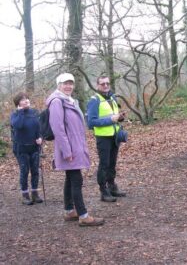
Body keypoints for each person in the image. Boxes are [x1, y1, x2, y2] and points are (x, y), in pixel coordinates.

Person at [47, 73, 104, 226]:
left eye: (70, 83)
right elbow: (57, 128)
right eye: (65, 83)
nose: (68, 86)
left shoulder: (70, 101)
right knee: (76, 179)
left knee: (70, 178)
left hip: (75, 146)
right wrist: (67, 151)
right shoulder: (57, 102)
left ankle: (69, 211)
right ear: (59, 85)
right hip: (69, 149)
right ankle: (83, 216)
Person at [87, 76, 127, 202]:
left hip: (114, 136)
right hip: (103, 137)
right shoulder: (94, 100)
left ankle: (112, 187)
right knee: (104, 164)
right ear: (97, 85)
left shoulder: (112, 97)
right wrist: (111, 119)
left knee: (112, 163)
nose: (105, 86)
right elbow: (91, 122)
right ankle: (103, 191)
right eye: (102, 83)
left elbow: (113, 117)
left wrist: (119, 117)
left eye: (107, 83)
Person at [10, 92, 43, 205]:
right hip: (21, 148)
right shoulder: (15, 115)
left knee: (35, 171)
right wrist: (20, 112)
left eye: (27, 98)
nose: (26, 101)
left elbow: (39, 127)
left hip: (34, 147)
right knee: (24, 171)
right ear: (17, 103)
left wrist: (40, 137)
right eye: (23, 99)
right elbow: (18, 125)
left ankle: (35, 194)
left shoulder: (34, 112)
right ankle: (25, 195)